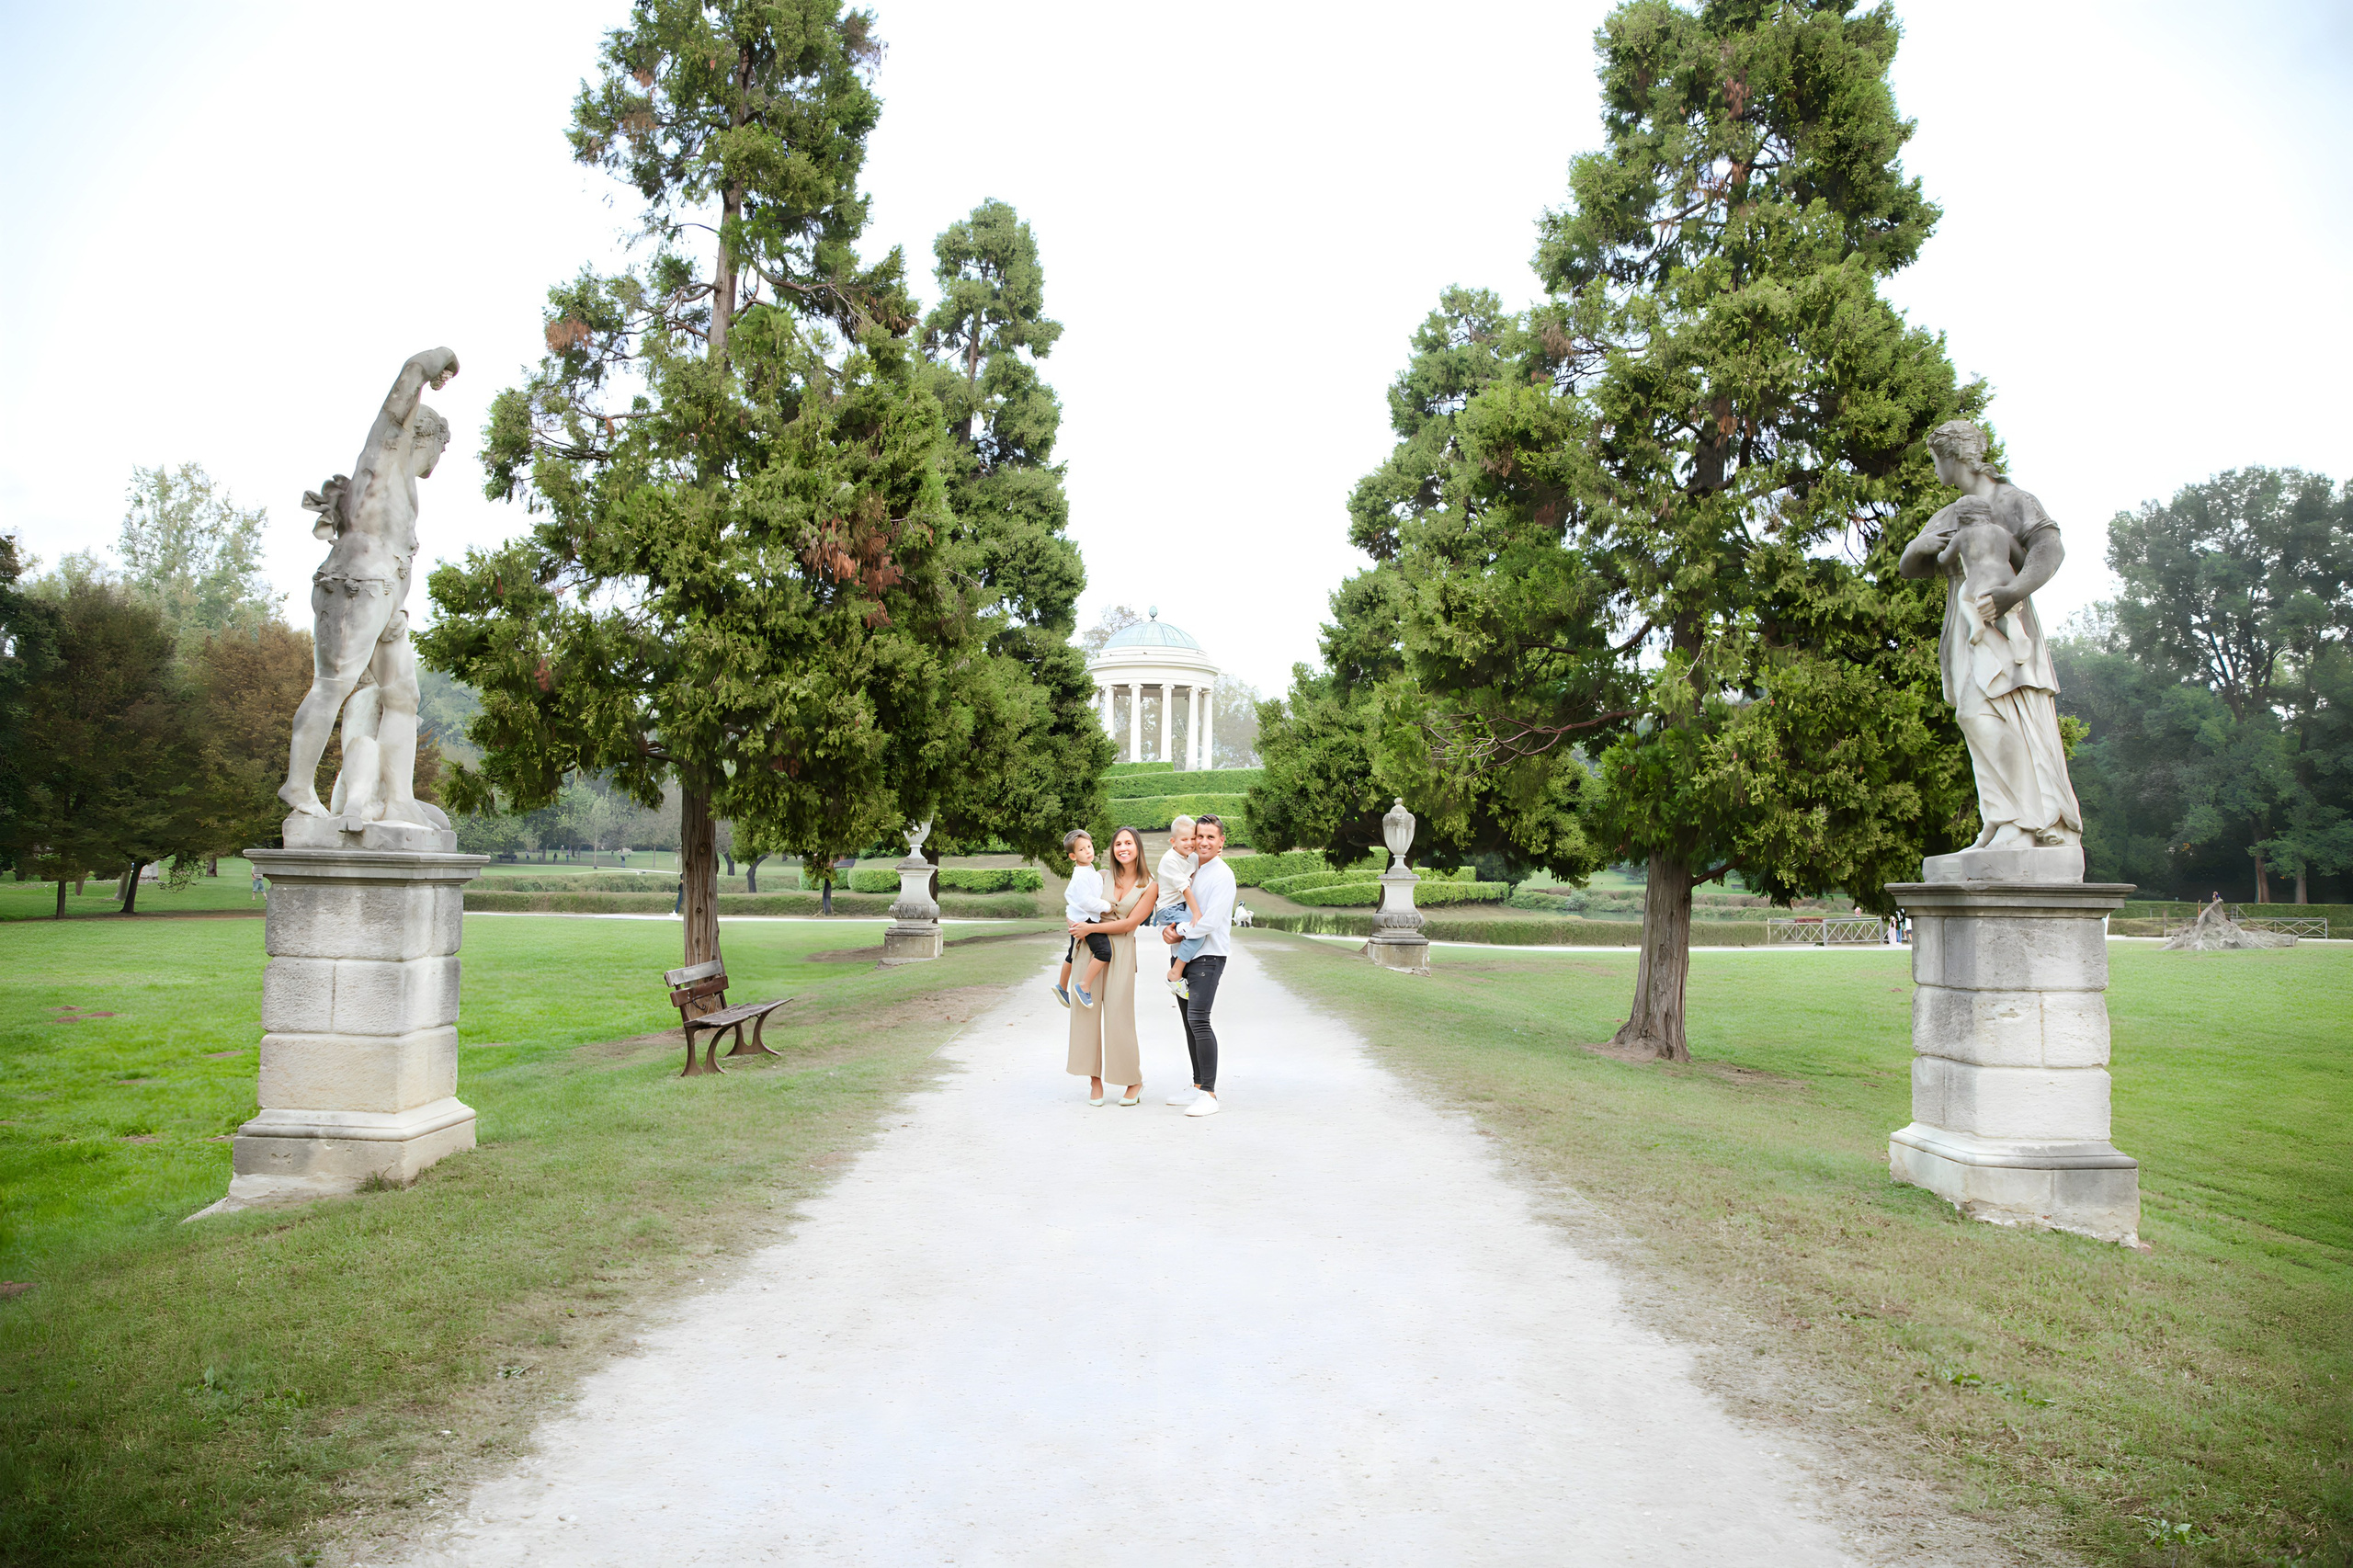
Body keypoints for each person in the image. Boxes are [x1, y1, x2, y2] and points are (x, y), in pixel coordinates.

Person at [280, 347, 460, 834]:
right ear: (428, 438)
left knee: (403, 694)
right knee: (333, 685)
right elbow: (402, 392)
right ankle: (298, 786)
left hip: (387, 600)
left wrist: (397, 605)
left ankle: (399, 800)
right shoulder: (385, 456)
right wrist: (439, 360)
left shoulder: (404, 483)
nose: (439, 459)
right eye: (442, 449)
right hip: (357, 587)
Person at [1897, 419, 2082, 851]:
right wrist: (1918, 547)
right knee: (1972, 716)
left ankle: (2027, 822)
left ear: (1952, 457)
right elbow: (1912, 566)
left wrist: (2012, 592)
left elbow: (2048, 549)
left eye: (1935, 460)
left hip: (2004, 621)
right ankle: (2000, 820)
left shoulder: (2013, 500)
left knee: (2000, 716)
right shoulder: (1951, 514)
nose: (1934, 470)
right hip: (1967, 627)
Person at [1066, 826, 1153, 1106]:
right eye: (1118, 844)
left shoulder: (1149, 885)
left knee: (1119, 1016)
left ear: (1137, 847)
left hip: (1122, 950)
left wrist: (1090, 929)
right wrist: (1074, 924)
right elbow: (1076, 904)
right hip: (1089, 949)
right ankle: (1094, 1081)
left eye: (1128, 843)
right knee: (1086, 1015)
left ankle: (1133, 1080)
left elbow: (1130, 923)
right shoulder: (1100, 876)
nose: (1123, 848)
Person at [1162, 813, 1236, 1118]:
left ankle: (1209, 1093)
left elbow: (1209, 922)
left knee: (1199, 1020)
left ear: (1221, 842)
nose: (1202, 842)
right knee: (1188, 1022)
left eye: (1209, 837)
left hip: (1209, 957)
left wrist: (1179, 930)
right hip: (1184, 955)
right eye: (1199, 836)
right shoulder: (1192, 867)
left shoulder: (1223, 875)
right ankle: (1197, 1086)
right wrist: (1169, 931)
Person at [1148, 815, 1209, 996]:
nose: (1190, 843)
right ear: (1173, 841)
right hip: (1169, 909)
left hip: (1180, 906)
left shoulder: (1191, 857)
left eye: (1193, 838)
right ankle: (1175, 973)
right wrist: (1196, 914)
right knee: (1197, 933)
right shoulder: (1170, 860)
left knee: (1193, 933)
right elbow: (1185, 889)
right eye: (1184, 839)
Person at [1055, 829, 1112, 1008]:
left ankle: (1061, 986)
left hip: (1078, 916)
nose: (1088, 851)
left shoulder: (1088, 870)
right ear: (1073, 856)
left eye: (1089, 846)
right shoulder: (1081, 875)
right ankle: (1084, 986)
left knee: (1072, 953)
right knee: (1104, 952)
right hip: (1085, 920)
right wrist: (1107, 906)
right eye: (1082, 849)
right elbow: (1086, 901)